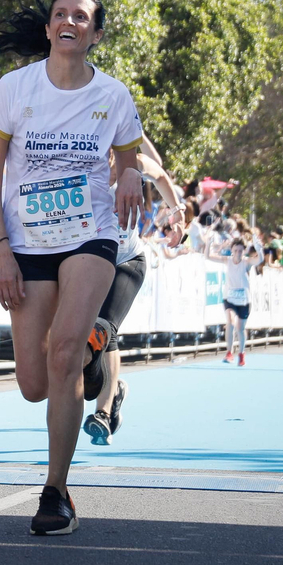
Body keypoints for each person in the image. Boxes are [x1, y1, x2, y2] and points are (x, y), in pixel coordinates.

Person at [0, 0, 145, 536]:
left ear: (95, 33)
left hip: (91, 235)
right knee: (35, 381)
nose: (68, 21)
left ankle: (56, 491)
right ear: (49, 28)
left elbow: (129, 161)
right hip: (27, 242)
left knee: (65, 351)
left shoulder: (114, 96)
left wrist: (131, 175)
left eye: (81, 16)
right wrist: (2, 250)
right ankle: (104, 376)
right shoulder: (15, 88)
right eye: (60, 14)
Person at [83, 148, 183, 446]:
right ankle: (112, 395)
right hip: (91, 262)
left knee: (103, 329)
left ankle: (101, 413)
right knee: (95, 343)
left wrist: (177, 214)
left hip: (128, 261)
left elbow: (162, 176)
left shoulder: (135, 162)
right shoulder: (82, 162)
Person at [208, 233, 260, 366]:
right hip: (230, 297)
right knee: (230, 322)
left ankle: (241, 354)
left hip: (244, 299)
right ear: (232, 250)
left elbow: (259, 260)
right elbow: (208, 256)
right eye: (235, 250)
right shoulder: (227, 260)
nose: (238, 253)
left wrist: (259, 248)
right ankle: (229, 352)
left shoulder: (246, 262)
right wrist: (209, 243)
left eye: (240, 251)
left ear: (244, 251)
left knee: (240, 328)